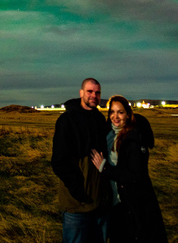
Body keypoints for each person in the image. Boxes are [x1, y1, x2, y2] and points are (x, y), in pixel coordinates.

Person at [91, 95, 168, 243]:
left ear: (128, 114)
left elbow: (135, 175)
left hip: (130, 202)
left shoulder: (133, 139)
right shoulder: (109, 135)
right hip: (114, 200)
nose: (116, 116)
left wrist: (104, 167)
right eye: (112, 112)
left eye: (120, 112)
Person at [52, 78, 110, 243]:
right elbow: (59, 162)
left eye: (97, 93)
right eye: (90, 91)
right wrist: (77, 190)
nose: (94, 95)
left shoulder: (100, 119)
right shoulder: (66, 120)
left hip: (100, 204)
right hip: (77, 205)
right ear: (81, 93)